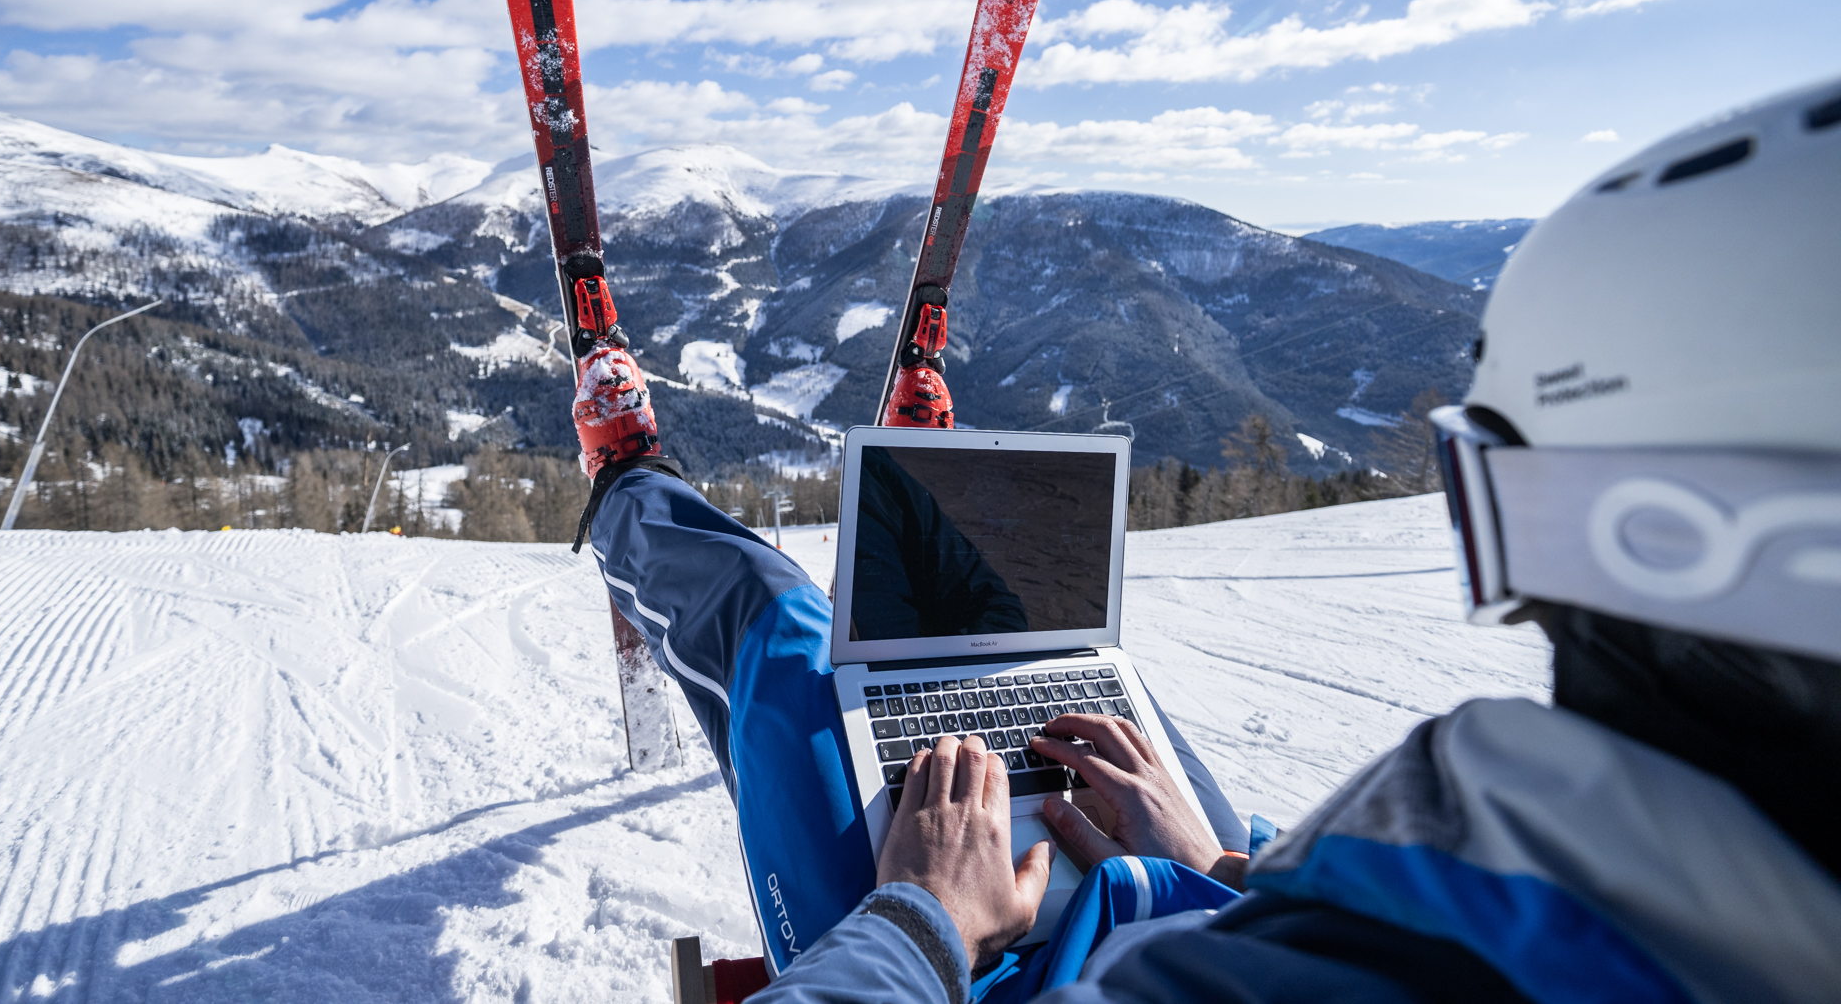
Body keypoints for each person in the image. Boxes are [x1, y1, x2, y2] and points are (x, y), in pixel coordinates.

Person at [575, 78, 1841, 1002]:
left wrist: (920, 920)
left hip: (956, 960)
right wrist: (1231, 870)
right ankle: (917, 494)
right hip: (1189, 882)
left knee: (776, 619)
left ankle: (631, 476)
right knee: (1041, 666)